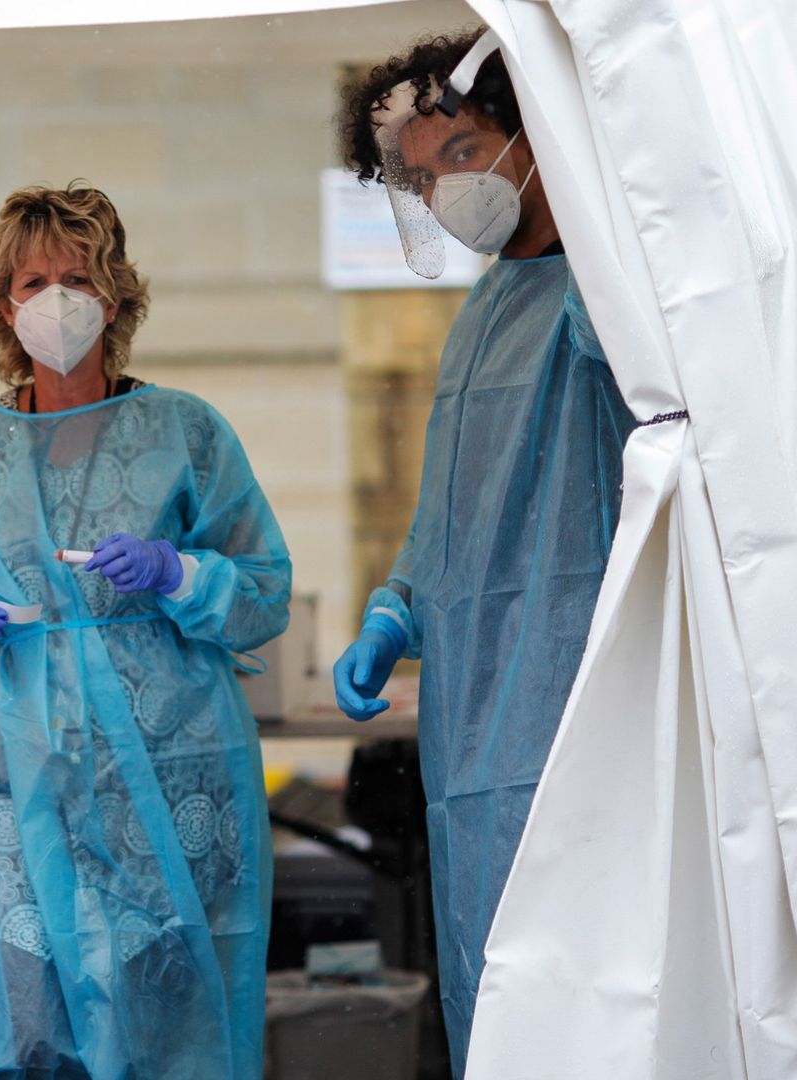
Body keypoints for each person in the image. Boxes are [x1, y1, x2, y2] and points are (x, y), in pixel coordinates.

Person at [0, 183, 292, 1080]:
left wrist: (179, 572)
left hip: (168, 771)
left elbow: (262, 590)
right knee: (20, 1011)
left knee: (165, 1009)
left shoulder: (186, 433)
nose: (54, 300)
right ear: (1, 303)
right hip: (7, 776)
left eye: (76, 276)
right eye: (31, 281)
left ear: (115, 294)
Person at [329, 29, 638, 1074]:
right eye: (420, 177)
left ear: (532, 131)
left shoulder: (612, 299)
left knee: (596, 983)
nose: (445, 188)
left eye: (459, 152)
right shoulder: (480, 315)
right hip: (476, 732)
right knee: (497, 979)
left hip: (587, 707)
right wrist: (397, 604)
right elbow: (452, 512)